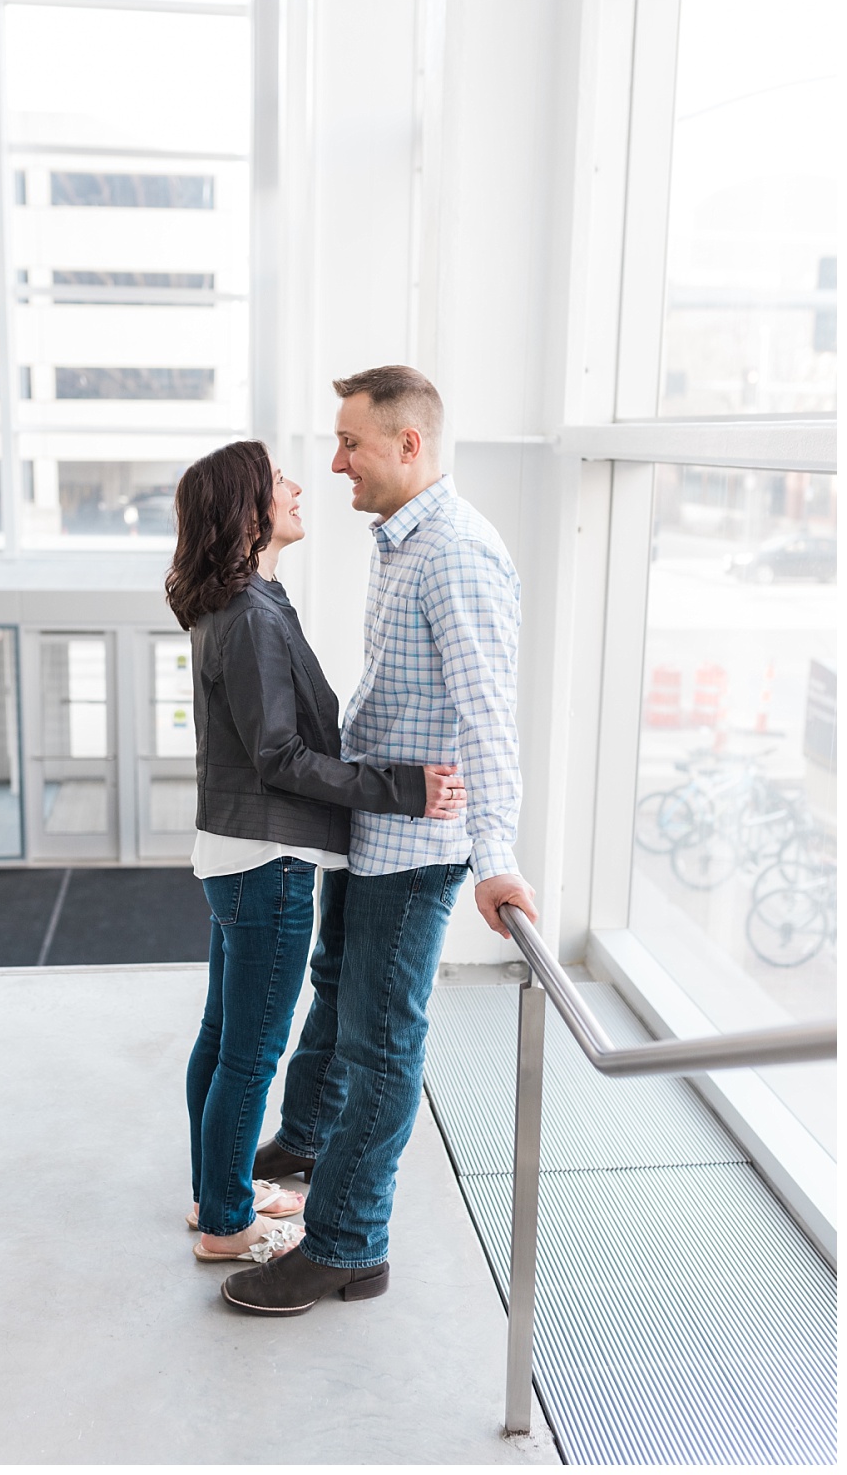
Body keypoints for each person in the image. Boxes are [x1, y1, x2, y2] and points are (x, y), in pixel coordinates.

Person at [221, 366, 538, 1314]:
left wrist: (497, 856)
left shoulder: (455, 554)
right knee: (333, 990)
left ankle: (350, 1245)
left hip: (418, 848)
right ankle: (311, 1139)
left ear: (409, 445)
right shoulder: (398, 542)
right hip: (374, 821)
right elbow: (392, 692)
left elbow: (488, 718)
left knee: (383, 1039)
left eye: (350, 443)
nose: (334, 461)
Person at [165, 438, 467, 1266]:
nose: (300, 488)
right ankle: (227, 1222)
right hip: (270, 860)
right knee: (250, 1051)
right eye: (279, 481)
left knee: (223, 1037)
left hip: (237, 854)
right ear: (249, 510)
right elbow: (280, 758)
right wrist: (404, 787)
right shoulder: (253, 614)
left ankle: (213, 1192)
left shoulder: (238, 601)